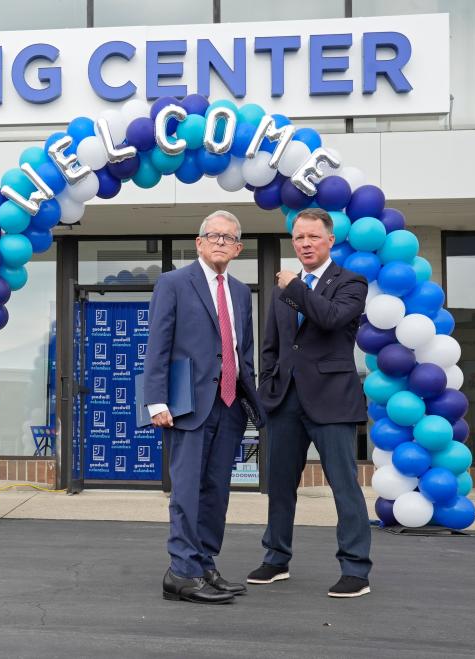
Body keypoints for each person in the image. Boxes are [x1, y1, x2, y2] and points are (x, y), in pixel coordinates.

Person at [247, 207, 372, 598]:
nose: (304, 244)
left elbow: (330, 318)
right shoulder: (282, 290)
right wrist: (268, 387)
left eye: (312, 237)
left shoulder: (351, 282)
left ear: (330, 240)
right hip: (285, 401)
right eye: (298, 237)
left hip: (332, 402)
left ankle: (355, 569)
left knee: (344, 487)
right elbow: (272, 345)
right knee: (280, 486)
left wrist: (295, 288)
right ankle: (275, 559)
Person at [144, 210, 264, 605]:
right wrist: (156, 400)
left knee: (216, 492)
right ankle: (180, 572)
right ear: (198, 243)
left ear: (238, 248)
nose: (219, 242)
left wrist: (253, 400)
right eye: (212, 236)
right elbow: (158, 345)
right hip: (187, 407)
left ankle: (204, 564)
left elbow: (240, 352)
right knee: (187, 492)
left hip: (229, 405)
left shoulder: (242, 292)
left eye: (228, 238)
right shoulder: (174, 283)